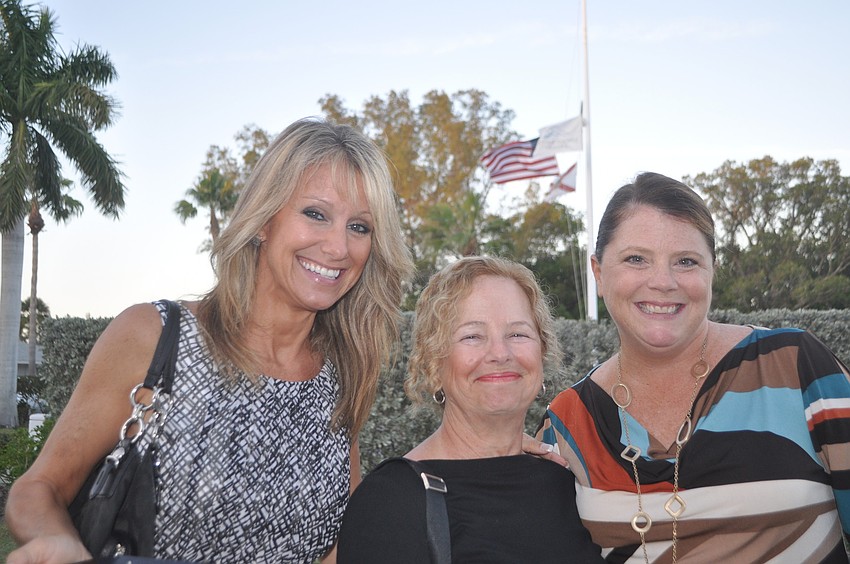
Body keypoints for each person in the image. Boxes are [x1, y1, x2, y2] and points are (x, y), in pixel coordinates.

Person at [6, 118, 414, 564]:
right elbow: (37, 489)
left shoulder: (342, 374)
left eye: (360, 227)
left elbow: (338, 547)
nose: (338, 247)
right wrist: (63, 545)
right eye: (315, 214)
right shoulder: (155, 337)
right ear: (263, 221)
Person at [535, 172, 850, 562]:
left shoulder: (797, 368)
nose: (663, 282)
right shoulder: (567, 424)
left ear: (712, 270)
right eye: (637, 259)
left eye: (686, 261)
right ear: (599, 273)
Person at [337, 256, 604, 563]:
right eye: (473, 336)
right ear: (434, 364)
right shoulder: (393, 499)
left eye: (517, 333)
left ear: (542, 354)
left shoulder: (560, 484)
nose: (500, 353)